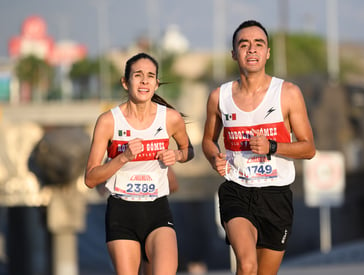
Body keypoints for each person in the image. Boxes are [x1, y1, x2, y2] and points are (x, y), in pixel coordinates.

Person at [202, 20, 315, 274]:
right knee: (247, 263)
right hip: (236, 190)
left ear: (267, 53)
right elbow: (208, 141)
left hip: (276, 195)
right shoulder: (219, 97)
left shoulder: (288, 93)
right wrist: (213, 158)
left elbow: (308, 148)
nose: (251, 50)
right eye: (244, 45)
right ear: (234, 54)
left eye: (258, 44)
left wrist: (272, 146)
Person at [84, 52, 194, 275]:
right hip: (121, 212)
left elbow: (188, 151)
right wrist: (122, 157)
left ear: (156, 83)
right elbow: (90, 178)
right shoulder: (108, 121)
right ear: (126, 82)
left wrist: (178, 156)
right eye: (138, 75)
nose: (145, 81)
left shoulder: (171, 118)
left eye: (150, 76)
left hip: (157, 211)